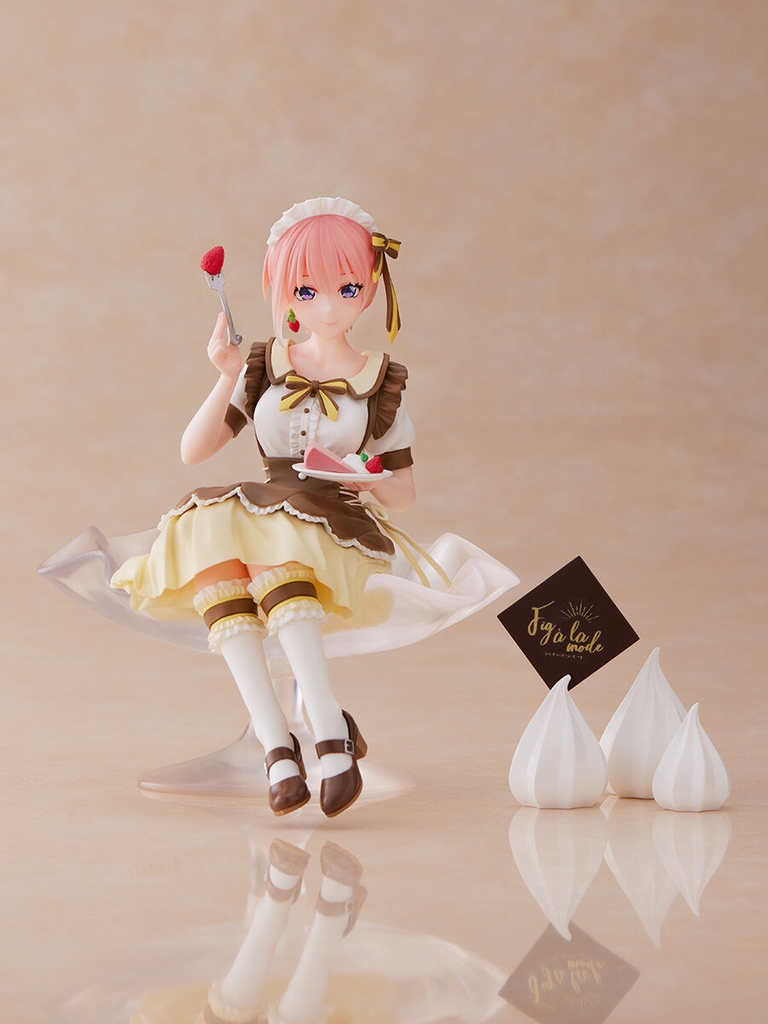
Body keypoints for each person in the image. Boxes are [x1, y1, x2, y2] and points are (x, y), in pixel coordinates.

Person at [40, 197, 519, 818]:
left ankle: (327, 733)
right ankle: (276, 744)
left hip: (337, 522)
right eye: (306, 290)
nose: (327, 306)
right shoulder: (267, 364)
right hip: (267, 506)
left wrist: (370, 479)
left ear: (372, 287)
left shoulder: (381, 380)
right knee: (213, 544)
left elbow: (405, 492)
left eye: (347, 288)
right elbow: (193, 451)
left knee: (270, 551)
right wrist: (226, 375)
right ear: (283, 290)